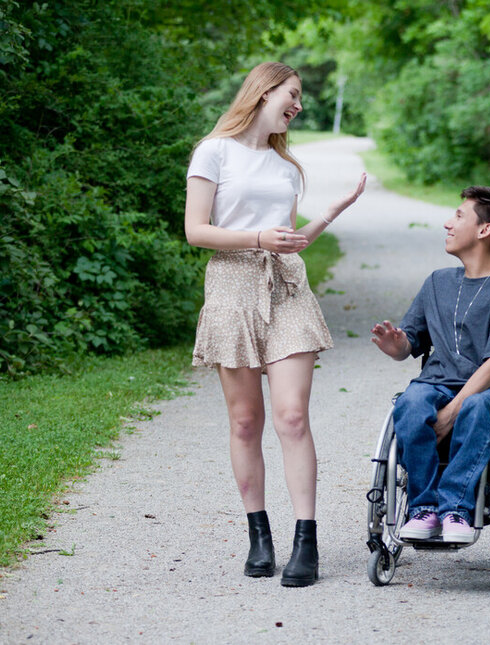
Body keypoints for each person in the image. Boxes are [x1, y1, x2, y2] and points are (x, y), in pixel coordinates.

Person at [184, 61, 366, 587]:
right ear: (263, 92)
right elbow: (197, 231)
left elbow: (290, 240)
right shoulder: (214, 151)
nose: (299, 105)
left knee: (291, 417)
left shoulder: (287, 168)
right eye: (293, 94)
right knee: (245, 422)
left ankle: (305, 542)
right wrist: (258, 239)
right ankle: (258, 537)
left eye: (300, 97)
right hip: (231, 289)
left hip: (286, 288)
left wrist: (331, 211)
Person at [371, 186, 490, 544]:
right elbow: (408, 344)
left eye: (459, 216)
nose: (448, 223)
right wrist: (395, 345)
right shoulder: (437, 282)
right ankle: (423, 508)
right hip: (438, 382)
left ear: (484, 230)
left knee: (475, 406)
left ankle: (456, 509)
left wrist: (451, 412)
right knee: (410, 402)